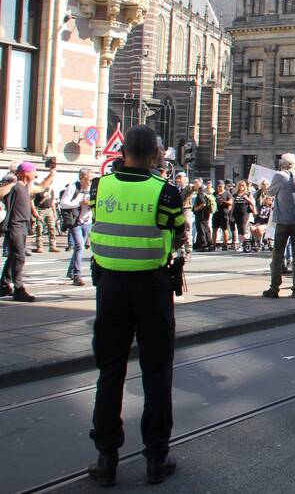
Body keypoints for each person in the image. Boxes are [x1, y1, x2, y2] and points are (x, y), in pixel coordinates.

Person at [86, 125, 184, 486]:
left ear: (123, 152)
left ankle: (106, 458)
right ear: (157, 155)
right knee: (157, 373)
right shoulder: (166, 192)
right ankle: (156, 458)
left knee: (109, 372)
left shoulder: (101, 187)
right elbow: (176, 232)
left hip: (109, 287)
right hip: (151, 288)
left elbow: (100, 221)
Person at [0, 160, 56, 301]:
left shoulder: (26, 188)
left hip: (22, 226)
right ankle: (19, 290)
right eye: (33, 171)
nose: (35, 174)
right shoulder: (15, 186)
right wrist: (11, 184)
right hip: (15, 226)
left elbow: (42, 187)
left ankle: (4, 285)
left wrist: (52, 173)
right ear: (25, 173)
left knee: (14, 255)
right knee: (20, 256)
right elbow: (1, 192)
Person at [262, 153, 295, 298]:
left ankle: (274, 288)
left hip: (283, 220)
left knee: (278, 254)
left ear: (283, 164)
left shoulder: (279, 176)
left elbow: (270, 192)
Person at [59, 168, 93, 286]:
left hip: (87, 221)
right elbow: (63, 204)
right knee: (79, 246)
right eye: (89, 179)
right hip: (75, 221)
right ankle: (77, 276)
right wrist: (79, 203)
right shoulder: (73, 188)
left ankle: (71, 271)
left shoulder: (91, 189)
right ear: (83, 178)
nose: (91, 181)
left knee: (80, 247)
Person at [32, 185, 59, 253]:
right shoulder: (38, 190)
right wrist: (34, 211)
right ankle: (39, 247)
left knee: (52, 228)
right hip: (40, 210)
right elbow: (32, 200)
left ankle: (53, 246)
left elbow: (52, 201)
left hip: (49, 209)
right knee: (39, 228)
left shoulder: (51, 190)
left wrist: (54, 211)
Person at [231, 180, 255, 251]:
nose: (241, 187)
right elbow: (233, 205)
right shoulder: (235, 195)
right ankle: (241, 244)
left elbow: (252, 203)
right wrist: (231, 214)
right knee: (239, 228)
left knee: (243, 227)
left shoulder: (248, 194)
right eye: (240, 185)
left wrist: (247, 198)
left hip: (245, 213)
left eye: (243, 185)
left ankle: (247, 242)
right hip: (236, 212)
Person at [212, 180, 232, 251]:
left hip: (224, 213)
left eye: (220, 186)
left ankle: (225, 244)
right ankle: (213, 245)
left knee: (225, 229)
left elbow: (231, 202)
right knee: (214, 229)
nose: (219, 188)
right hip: (216, 213)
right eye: (218, 186)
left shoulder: (227, 193)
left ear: (223, 186)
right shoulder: (214, 193)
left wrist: (224, 201)